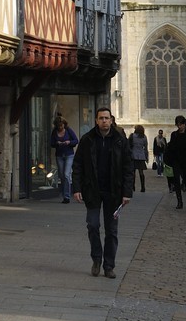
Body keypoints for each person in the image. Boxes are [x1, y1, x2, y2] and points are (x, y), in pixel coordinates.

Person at [73, 108, 134, 278]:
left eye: (107, 118)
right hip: (92, 190)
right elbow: (77, 165)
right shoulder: (87, 140)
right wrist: (76, 188)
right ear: (96, 121)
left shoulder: (120, 140)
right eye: (101, 118)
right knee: (92, 225)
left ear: (111, 120)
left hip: (114, 191)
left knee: (111, 230)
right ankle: (96, 259)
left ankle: (109, 266)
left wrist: (127, 192)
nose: (104, 121)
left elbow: (128, 167)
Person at [51, 115, 79, 202]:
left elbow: (76, 140)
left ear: (64, 124)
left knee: (67, 174)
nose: (60, 127)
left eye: (62, 125)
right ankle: (64, 193)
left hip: (69, 154)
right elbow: (51, 143)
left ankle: (67, 196)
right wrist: (57, 143)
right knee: (62, 176)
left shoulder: (68, 130)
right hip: (59, 155)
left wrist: (69, 142)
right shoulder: (54, 132)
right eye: (59, 126)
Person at [129, 124, 149, 192]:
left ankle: (133, 187)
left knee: (133, 172)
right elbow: (145, 148)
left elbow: (129, 145)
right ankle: (143, 187)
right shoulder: (144, 137)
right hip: (141, 156)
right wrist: (146, 157)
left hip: (133, 155)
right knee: (141, 172)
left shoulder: (132, 136)